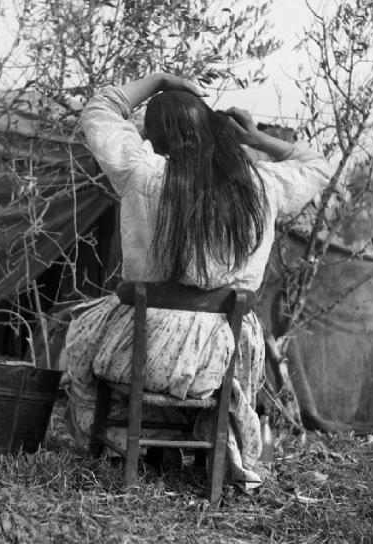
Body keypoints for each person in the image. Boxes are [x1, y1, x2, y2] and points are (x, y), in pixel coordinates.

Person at [64, 73, 332, 488]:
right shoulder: (261, 186)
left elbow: (99, 109)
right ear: (208, 130)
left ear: (154, 138)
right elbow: (318, 165)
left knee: (84, 332)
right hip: (219, 361)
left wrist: (157, 81)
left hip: (141, 354)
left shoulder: (141, 171)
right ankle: (185, 439)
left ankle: (123, 438)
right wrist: (257, 138)